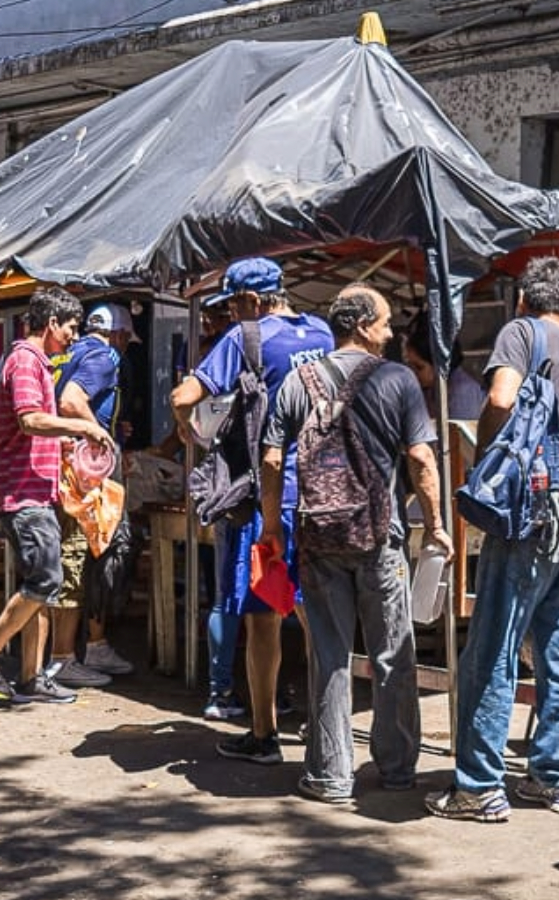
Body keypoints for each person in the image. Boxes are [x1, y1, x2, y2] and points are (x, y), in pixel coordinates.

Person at [426, 255, 559, 822]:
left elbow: (501, 398)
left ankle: (479, 785)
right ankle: (555, 779)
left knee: (493, 650)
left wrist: (486, 461)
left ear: (524, 300)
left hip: (528, 520)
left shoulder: (519, 333)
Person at [262, 284, 450, 803]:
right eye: (386, 324)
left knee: (329, 654)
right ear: (364, 325)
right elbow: (421, 459)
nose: (390, 334)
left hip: (318, 536)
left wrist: (272, 526)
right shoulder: (398, 380)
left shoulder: (298, 383)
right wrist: (434, 525)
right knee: (393, 653)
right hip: (380, 536)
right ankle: (396, 770)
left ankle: (329, 775)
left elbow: (273, 460)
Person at [170, 256, 333, 760]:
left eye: (236, 303)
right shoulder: (323, 333)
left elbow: (185, 394)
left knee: (262, 614)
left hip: (270, 495)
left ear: (255, 301)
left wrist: (187, 427)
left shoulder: (246, 338)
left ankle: (263, 735)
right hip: (324, 493)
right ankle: (326, 724)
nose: (233, 313)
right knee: (317, 613)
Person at [0, 285, 113, 706]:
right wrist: (82, 427)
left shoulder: (37, 363)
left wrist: (64, 446)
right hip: (19, 491)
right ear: (51, 324)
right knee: (47, 579)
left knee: (40, 586)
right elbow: (29, 420)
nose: (74, 337)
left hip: (34, 488)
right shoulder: (25, 361)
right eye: (71, 328)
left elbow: (32, 427)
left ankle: (31, 677)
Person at [48, 302, 139, 687]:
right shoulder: (104, 355)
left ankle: (95, 643)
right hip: (84, 474)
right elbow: (71, 399)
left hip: (67, 467)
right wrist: (97, 432)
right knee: (92, 553)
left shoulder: (66, 352)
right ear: (118, 334)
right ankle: (66, 655)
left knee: (93, 552)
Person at [401, 312, 485, 423]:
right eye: (410, 365)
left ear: (438, 364)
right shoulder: (429, 388)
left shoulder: (462, 393)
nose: (412, 372)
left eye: (419, 367)